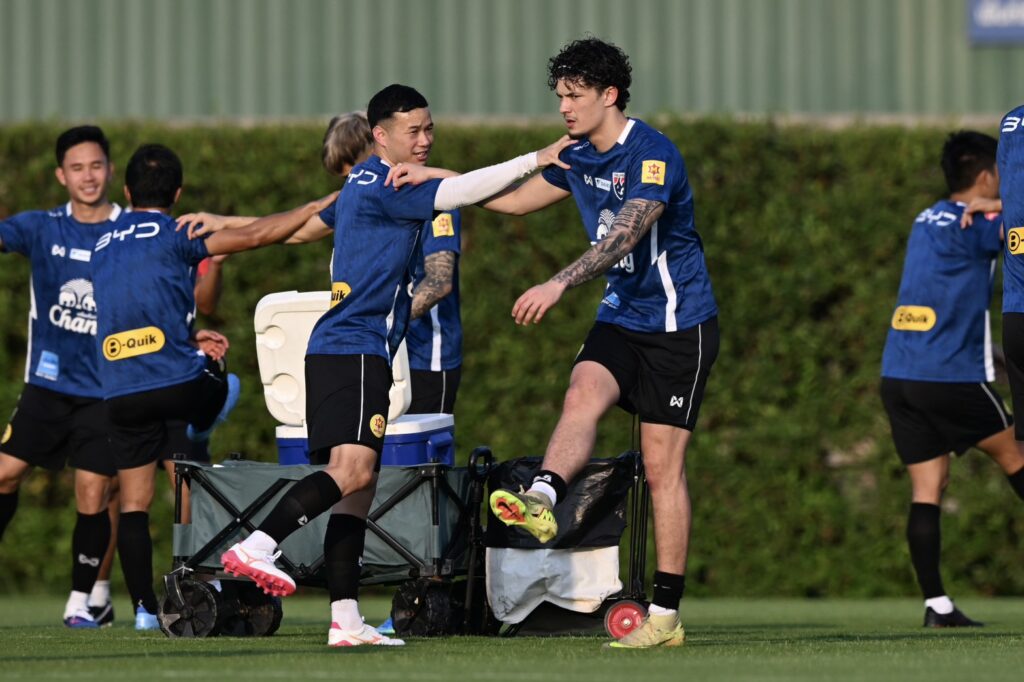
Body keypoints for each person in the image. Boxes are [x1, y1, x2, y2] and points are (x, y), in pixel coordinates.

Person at [215, 83, 571, 647]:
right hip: (357, 350)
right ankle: (258, 545)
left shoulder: (361, 179)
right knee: (353, 475)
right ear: (380, 136)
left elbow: (302, 224)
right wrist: (537, 157)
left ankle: (346, 620)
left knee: (357, 489)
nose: (425, 140)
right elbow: (467, 191)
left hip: (340, 349)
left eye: (430, 128)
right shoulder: (391, 183)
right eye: (413, 131)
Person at [392, 37, 716, 649]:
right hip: (622, 317)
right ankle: (542, 496)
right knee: (581, 392)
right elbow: (516, 201)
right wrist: (439, 178)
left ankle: (665, 616)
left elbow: (625, 235)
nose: (564, 107)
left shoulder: (653, 153)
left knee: (661, 468)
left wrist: (558, 282)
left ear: (609, 95)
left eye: (575, 95)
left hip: (679, 327)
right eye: (560, 96)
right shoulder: (577, 156)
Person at [91, 143, 339, 629]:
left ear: (126, 191)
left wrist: (184, 337)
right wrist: (313, 205)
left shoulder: (102, 243)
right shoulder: (176, 232)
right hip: (177, 387)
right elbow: (258, 235)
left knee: (134, 501)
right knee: (219, 384)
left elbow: (132, 308)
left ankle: (144, 611)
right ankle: (202, 432)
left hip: (120, 389)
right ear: (178, 194)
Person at [881, 130, 1024, 628]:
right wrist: (1002, 206)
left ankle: (937, 606)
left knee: (929, 486)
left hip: (898, 375)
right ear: (986, 176)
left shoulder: (926, 217)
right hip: (950, 376)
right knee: (1017, 457)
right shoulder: (977, 221)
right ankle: (938, 606)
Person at [0, 125, 123, 628]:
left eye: (95, 166)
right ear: (60, 176)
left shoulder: (130, 229)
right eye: (77, 168)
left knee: (93, 494)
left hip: (105, 392)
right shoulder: (41, 227)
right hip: (46, 389)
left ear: (109, 170)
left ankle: (80, 603)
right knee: (5, 474)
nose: (87, 176)